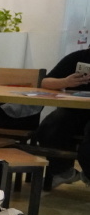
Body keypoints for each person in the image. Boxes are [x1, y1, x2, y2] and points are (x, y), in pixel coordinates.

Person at [34, 49, 90, 187]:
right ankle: (63, 171)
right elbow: (45, 82)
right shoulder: (78, 57)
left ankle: (88, 173)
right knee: (49, 127)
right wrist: (66, 82)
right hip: (74, 109)